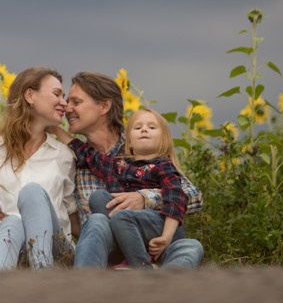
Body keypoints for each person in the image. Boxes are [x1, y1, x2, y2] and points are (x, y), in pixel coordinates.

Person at [62, 71, 204, 269]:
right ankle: (87, 287)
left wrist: (144, 198)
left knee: (191, 246)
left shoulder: (143, 151)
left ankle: (162, 287)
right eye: (67, 102)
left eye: (75, 102)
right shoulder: (70, 158)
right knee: (96, 216)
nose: (67, 108)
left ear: (104, 106)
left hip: (155, 239)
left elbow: (194, 196)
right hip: (107, 247)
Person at [51, 108, 187, 268]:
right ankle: (126, 256)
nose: (144, 129)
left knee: (121, 216)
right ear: (129, 142)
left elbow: (175, 199)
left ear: (164, 139)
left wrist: (166, 237)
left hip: (159, 226)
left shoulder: (164, 166)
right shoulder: (118, 165)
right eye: (138, 128)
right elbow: (85, 152)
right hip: (125, 225)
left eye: (151, 127)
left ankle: (142, 267)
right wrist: (54, 129)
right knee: (98, 197)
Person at [0, 67, 78, 270]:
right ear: (30, 95)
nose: (64, 103)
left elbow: (73, 215)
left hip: (54, 249)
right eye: (56, 94)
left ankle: (41, 273)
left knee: (32, 192)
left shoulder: (64, 156)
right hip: (0, 243)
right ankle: (0, 285)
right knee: (12, 223)